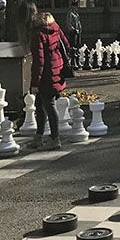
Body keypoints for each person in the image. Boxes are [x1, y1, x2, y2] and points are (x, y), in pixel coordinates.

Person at [26, 10, 72, 150]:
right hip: (56, 71)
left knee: (49, 105)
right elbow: (67, 46)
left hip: (46, 75)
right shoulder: (56, 29)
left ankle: (55, 138)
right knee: (40, 105)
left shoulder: (38, 34)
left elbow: (39, 61)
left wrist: (35, 83)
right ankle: (39, 136)